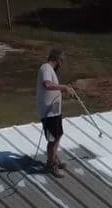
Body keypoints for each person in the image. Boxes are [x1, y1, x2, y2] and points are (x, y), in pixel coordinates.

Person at [37, 49, 74, 178]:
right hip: (49, 112)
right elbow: (47, 84)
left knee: (58, 135)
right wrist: (63, 87)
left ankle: (54, 159)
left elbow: (51, 88)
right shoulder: (46, 68)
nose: (61, 64)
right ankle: (51, 164)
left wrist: (62, 91)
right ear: (57, 59)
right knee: (52, 139)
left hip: (54, 111)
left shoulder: (50, 70)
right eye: (61, 61)